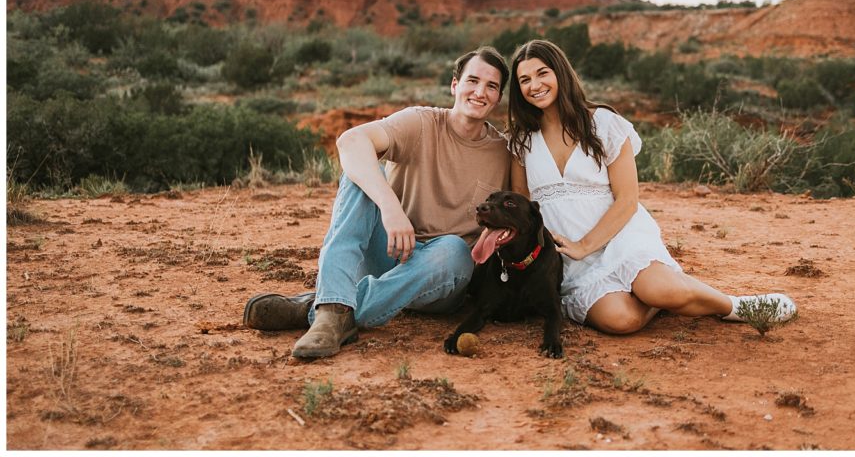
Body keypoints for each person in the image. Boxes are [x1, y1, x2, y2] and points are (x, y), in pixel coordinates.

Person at [507, 39, 796, 334]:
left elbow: (627, 200)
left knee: (662, 290)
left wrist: (585, 245)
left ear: (560, 73)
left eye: (542, 73)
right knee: (622, 320)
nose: (534, 85)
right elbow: (521, 206)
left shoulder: (603, 124)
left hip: (619, 236)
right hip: (568, 258)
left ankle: (738, 306)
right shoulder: (521, 141)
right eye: (524, 80)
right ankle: (654, 297)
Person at [243, 46, 511, 358]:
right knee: (359, 178)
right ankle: (334, 307)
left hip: (442, 278)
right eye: (472, 81)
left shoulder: (502, 153)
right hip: (390, 251)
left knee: (453, 249)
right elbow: (351, 141)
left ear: (499, 97)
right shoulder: (421, 123)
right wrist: (389, 205)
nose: (480, 92)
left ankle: (321, 310)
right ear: (455, 85)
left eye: (491, 86)